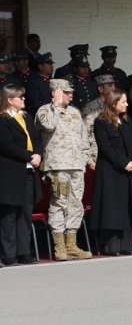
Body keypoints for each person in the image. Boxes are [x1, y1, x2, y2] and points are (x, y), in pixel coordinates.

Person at [35, 78, 92, 261]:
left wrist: (83, 159)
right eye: (66, 92)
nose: (71, 95)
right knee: (59, 203)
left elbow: (84, 139)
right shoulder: (45, 110)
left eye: (70, 92)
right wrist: (56, 104)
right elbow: (48, 125)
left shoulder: (75, 112)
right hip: (58, 165)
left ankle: (71, 244)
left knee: (76, 203)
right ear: (55, 92)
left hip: (76, 165)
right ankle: (59, 246)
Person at [89, 90, 132, 256]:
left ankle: (127, 244)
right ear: (113, 103)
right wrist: (124, 163)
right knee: (113, 210)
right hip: (111, 172)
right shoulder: (101, 122)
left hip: (129, 171)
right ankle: (112, 245)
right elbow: (106, 147)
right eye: (123, 101)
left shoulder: (127, 121)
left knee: (127, 208)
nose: (126, 104)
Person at [0, 84, 42, 266]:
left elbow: (36, 139)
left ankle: (24, 251)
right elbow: (6, 145)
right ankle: (8, 254)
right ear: (10, 100)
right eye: (20, 97)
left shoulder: (26, 117)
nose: (24, 99)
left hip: (28, 171)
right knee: (9, 215)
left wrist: (38, 154)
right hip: (11, 172)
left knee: (25, 213)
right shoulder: (2, 120)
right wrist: (28, 156)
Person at [82, 74, 116, 169]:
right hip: (98, 156)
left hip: (116, 155)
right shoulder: (90, 109)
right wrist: (89, 160)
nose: (114, 88)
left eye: (114, 85)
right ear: (101, 89)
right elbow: (86, 134)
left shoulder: (116, 106)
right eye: (110, 86)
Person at [25, 52, 54, 116]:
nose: (52, 66)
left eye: (51, 64)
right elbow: (36, 104)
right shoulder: (33, 83)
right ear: (40, 66)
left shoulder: (53, 81)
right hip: (41, 116)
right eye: (49, 64)